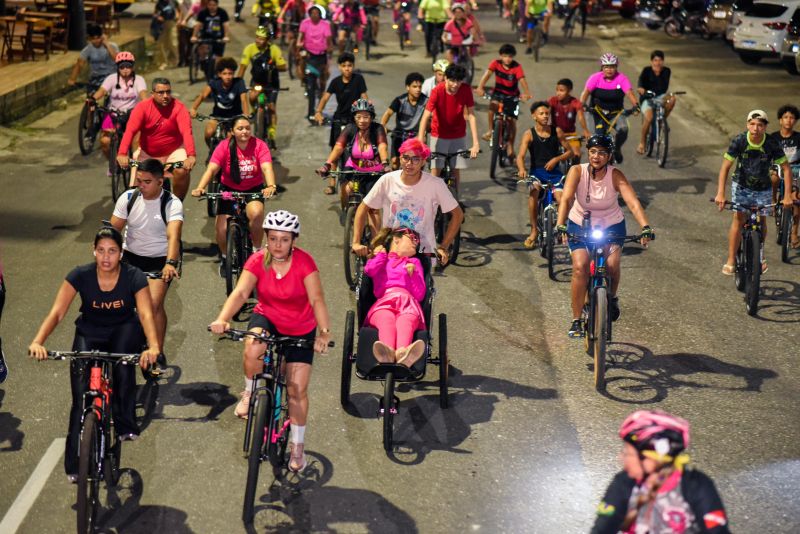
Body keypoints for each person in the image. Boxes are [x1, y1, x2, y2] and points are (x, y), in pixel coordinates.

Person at [28, 226, 160, 482]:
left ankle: (124, 425)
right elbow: (57, 313)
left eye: (112, 251)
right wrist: (38, 341)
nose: (106, 257)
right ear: (93, 251)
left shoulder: (134, 277)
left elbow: (145, 314)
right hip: (90, 331)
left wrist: (153, 346)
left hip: (124, 329)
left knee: (122, 367)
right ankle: (75, 465)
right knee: (80, 400)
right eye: (101, 251)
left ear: (121, 253)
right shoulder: (80, 275)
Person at [208, 210, 331, 473]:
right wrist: (222, 318)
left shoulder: (305, 263)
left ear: (293, 241)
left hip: (301, 327)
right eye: (273, 238)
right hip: (268, 317)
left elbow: (317, 299)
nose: (278, 245)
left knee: (296, 390)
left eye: (284, 239)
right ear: (266, 238)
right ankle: (250, 390)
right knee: (253, 348)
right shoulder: (256, 261)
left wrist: (323, 333)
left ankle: (297, 447)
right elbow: (241, 292)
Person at [556, 134, 653, 337]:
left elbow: (633, 203)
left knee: (611, 265)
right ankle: (576, 319)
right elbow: (565, 199)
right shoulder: (577, 171)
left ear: (609, 156)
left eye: (601, 152)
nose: (596, 156)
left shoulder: (615, 175)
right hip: (580, 223)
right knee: (580, 267)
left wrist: (645, 226)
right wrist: (560, 224)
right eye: (592, 152)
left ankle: (612, 297)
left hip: (612, 225)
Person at [591, 410, 731, 534]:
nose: (621, 458)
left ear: (652, 459)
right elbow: (602, 528)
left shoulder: (696, 487)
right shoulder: (623, 483)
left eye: (627, 453)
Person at [109, 158, 183, 373]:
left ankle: (155, 349)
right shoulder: (128, 197)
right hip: (130, 256)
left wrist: (170, 263)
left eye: (147, 182)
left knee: (152, 305)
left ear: (161, 182)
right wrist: (104, 251)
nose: (141, 185)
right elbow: (114, 230)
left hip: (160, 259)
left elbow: (173, 235)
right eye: (139, 180)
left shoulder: (171, 203)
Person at [352, 138, 464, 266]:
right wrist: (356, 242)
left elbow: (458, 214)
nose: (409, 163)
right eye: (406, 158)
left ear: (423, 162)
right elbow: (363, 208)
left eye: (415, 159)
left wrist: (443, 247)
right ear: (400, 158)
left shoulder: (436, 184)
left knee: (421, 286)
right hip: (392, 250)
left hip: (423, 253)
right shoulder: (387, 180)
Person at [192, 115, 278, 273]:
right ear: (232, 131)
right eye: (240, 128)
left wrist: (271, 185)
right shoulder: (224, 146)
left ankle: (256, 251)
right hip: (228, 191)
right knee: (222, 229)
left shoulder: (259, 145)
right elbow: (211, 169)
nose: (245, 131)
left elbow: (266, 168)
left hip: (253, 189)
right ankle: (225, 257)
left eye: (247, 128)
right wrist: (200, 187)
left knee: (256, 213)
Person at [714, 110, 792, 275]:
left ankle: (760, 255)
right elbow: (725, 167)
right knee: (738, 219)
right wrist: (721, 193)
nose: (756, 128)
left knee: (762, 222)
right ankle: (731, 259)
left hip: (763, 188)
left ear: (765, 127)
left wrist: (786, 197)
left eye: (760, 125)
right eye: (752, 124)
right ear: (747, 125)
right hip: (741, 186)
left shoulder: (771, 143)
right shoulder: (740, 140)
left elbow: (786, 168)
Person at [118, 78, 197, 200]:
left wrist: (191, 155)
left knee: (182, 171)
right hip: (148, 152)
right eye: (160, 93)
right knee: (139, 191)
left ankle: (176, 206)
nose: (165, 96)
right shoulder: (142, 108)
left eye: (168, 92)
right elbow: (130, 131)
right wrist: (122, 153)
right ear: (152, 93)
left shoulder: (179, 108)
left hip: (174, 151)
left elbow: (187, 132)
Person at [365, 227, 427, 367]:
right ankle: (387, 352)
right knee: (386, 318)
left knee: (406, 320)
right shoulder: (382, 259)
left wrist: (413, 276)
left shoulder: (414, 263)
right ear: (396, 240)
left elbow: (420, 294)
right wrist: (380, 255)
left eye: (417, 240)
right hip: (385, 301)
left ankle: (402, 353)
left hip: (408, 302)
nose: (415, 242)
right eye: (411, 238)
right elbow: (369, 270)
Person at [516, 101, 574, 249]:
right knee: (534, 191)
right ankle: (534, 230)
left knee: (562, 199)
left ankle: (561, 228)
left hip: (555, 174)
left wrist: (556, 159)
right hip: (537, 173)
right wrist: (522, 169)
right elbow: (520, 156)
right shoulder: (529, 134)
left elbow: (570, 152)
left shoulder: (557, 131)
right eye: (541, 113)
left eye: (547, 113)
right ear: (534, 116)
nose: (545, 116)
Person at [317, 99, 391, 210]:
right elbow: (338, 147)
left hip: (373, 166)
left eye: (366, 117)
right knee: (345, 190)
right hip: (353, 164)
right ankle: (347, 211)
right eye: (358, 117)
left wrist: (385, 163)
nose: (362, 120)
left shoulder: (378, 128)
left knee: (373, 208)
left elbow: (382, 146)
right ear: (353, 118)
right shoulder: (350, 128)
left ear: (371, 117)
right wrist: (327, 164)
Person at [417, 63, 480, 188]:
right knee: (436, 171)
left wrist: (476, 144)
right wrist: (420, 140)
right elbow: (425, 116)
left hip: (458, 135)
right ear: (445, 78)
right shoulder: (437, 91)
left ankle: (455, 199)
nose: (455, 85)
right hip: (439, 135)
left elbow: (471, 116)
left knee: (456, 170)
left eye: (459, 81)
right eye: (452, 80)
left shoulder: (466, 89)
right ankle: (432, 203)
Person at [314, 53, 369, 179]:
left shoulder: (359, 79)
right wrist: (318, 112)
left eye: (350, 65)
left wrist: (368, 113)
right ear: (339, 67)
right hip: (339, 120)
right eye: (344, 66)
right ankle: (332, 183)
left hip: (355, 120)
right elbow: (325, 98)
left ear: (353, 66)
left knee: (361, 148)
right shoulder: (335, 82)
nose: (347, 68)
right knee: (336, 150)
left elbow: (364, 96)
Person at [580, 53, 640, 164]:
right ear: (602, 67)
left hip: (616, 113)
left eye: (612, 66)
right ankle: (594, 164)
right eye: (606, 67)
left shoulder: (622, 79)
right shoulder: (595, 78)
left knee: (624, 129)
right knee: (595, 139)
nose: (609, 69)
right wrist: (582, 104)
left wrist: (636, 105)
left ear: (616, 67)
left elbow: (630, 93)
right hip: (596, 112)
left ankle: (617, 148)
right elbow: (586, 92)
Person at [476, 44, 532, 160]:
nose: (507, 59)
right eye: (505, 56)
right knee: (492, 107)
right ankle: (491, 130)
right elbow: (487, 75)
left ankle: (510, 145)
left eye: (510, 56)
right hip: (498, 93)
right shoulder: (495, 63)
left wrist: (526, 93)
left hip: (512, 95)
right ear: (501, 56)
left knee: (511, 121)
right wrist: (480, 87)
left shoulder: (517, 67)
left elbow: (522, 80)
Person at [92, 52, 148, 161]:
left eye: (128, 66)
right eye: (122, 67)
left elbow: (143, 94)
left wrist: (147, 103)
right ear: (118, 67)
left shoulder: (139, 79)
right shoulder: (111, 78)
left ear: (133, 67)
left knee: (136, 141)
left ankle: (135, 167)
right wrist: (92, 99)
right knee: (105, 141)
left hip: (132, 114)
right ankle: (113, 164)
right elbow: (102, 91)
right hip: (112, 113)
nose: (125, 69)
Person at [238, 26, 287, 144]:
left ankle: (272, 132)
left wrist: (274, 66)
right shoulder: (249, 49)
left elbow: (283, 66)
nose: (258, 41)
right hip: (257, 81)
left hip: (271, 83)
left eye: (261, 39)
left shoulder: (274, 50)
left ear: (267, 40)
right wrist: (237, 83)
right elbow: (243, 67)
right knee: (252, 97)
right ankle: (256, 111)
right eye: (257, 38)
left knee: (271, 108)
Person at [190, 57, 250, 147]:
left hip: (235, 117)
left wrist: (246, 115)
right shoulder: (214, 83)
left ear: (234, 73)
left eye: (230, 73)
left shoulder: (239, 82)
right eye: (224, 74)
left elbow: (244, 99)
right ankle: (212, 152)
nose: (228, 77)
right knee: (209, 132)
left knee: (231, 138)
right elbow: (203, 95)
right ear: (219, 74)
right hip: (217, 117)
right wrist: (193, 108)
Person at [381, 72, 428, 169]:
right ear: (407, 87)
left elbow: (433, 116)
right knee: (394, 162)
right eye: (414, 86)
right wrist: (383, 126)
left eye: (420, 86)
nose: (418, 89)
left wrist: (425, 131)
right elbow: (388, 113)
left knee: (419, 162)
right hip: (399, 133)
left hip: (416, 135)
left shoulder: (426, 101)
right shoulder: (400, 100)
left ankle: (418, 180)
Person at [770, 104, 800, 248]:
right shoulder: (772, 138)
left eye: (792, 118)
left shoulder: (799, 138)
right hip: (777, 169)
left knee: (796, 200)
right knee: (774, 177)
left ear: (795, 121)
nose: (789, 120)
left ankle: (794, 232)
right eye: (786, 117)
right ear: (780, 120)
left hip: (795, 170)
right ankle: (773, 199)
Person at [636, 50, 676, 156]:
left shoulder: (667, 71)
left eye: (660, 60)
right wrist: (641, 89)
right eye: (655, 60)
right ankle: (642, 142)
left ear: (663, 61)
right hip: (648, 98)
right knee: (648, 118)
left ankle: (662, 120)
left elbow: (664, 88)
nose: (658, 63)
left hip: (660, 97)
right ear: (651, 61)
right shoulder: (646, 70)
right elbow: (640, 82)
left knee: (672, 99)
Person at [547, 78, 590, 160]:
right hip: (554, 134)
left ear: (569, 90)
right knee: (548, 156)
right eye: (557, 90)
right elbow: (547, 114)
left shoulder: (575, 102)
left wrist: (585, 130)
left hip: (570, 134)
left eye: (561, 90)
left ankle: (574, 171)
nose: (558, 93)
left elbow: (580, 117)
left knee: (577, 155)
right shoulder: (553, 101)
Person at [67, 24, 119, 91]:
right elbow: (79, 64)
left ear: (102, 36)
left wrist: (107, 45)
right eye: (93, 39)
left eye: (98, 38)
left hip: (112, 76)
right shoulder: (87, 50)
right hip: (96, 78)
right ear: (89, 38)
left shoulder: (113, 46)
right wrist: (72, 79)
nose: (96, 41)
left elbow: (117, 60)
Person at [298, 4, 333, 94]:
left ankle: (322, 88)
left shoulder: (325, 25)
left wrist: (329, 47)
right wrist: (299, 43)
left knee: (325, 71)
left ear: (320, 14)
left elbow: (328, 39)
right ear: (309, 14)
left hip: (321, 52)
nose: (314, 15)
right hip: (307, 50)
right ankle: (303, 78)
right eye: (312, 13)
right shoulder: (305, 23)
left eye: (317, 13)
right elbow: (300, 35)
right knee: (301, 60)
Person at [154, 0, 181, 70]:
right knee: (162, 44)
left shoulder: (174, 2)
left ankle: (175, 61)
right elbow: (155, 13)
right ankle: (163, 62)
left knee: (173, 43)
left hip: (172, 23)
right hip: (162, 24)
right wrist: (158, 17)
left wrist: (178, 18)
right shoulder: (159, 3)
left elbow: (179, 11)